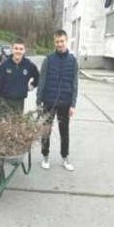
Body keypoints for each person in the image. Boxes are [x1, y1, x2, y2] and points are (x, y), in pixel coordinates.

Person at [37, 29, 79, 171]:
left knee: (64, 132)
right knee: (46, 130)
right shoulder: (48, 60)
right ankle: (45, 156)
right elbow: (42, 81)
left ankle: (65, 157)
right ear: (54, 42)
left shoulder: (72, 61)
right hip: (49, 102)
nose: (59, 44)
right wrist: (38, 101)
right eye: (57, 42)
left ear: (66, 41)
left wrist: (72, 104)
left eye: (62, 41)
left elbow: (75, 84)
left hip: (65, 103)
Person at [0, 39, 39, 116]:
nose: (18, 51)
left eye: (21, 49)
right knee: (5, 126)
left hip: (19, 101)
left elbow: (38, 76)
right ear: (12, 49)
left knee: (17, 125)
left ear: (24, 51)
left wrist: (33, 85)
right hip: (5, 101)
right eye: (16, 48)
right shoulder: (4, 65)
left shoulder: (29, 65)